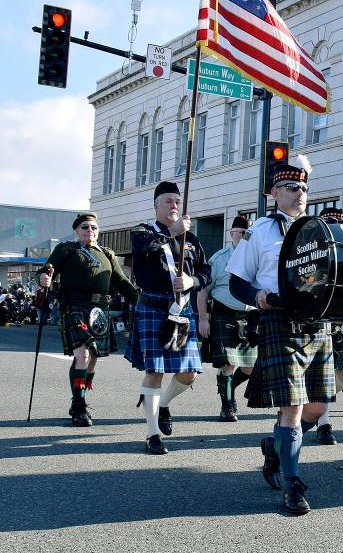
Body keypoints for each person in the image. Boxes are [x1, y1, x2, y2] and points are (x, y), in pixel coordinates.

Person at [227, 155, 335, 515]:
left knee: (317, 407)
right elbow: (237, 281)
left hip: (317, 322)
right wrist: (256, 296)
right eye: (291, 187)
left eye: (303, 187)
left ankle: (275, 448)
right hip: (278, 319)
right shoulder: (260, 230)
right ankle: (292, 485)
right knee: (292, 407)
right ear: (274, 192)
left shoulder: (319, 229)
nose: (299, 193)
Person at [126, 182, 211, 455]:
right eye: (167, 201)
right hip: (153, 307)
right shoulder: (143, 232)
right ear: (156, 205)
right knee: (155, 372)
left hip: (182, 310)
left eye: (177, 201)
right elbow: (144, 250)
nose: (174, 206)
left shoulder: (193, 240)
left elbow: (207, 274)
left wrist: (192, 280)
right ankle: (152, 433)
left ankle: (162, 404)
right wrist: (173, 233)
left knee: (188, 374)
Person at [38, 212, 138, 426]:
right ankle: (79, 405)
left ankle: (79, 400)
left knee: (93, 358)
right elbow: (47, 271)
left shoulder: (107, 254)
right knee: (82, 355)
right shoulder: (66, 249)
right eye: (85, 227)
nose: (90, 231)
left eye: (94, 227)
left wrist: (140, 301)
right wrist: (44, 277)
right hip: (74, 306)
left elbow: (121, 281)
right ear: (77, 230)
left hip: (100, 308)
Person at [196, 214, 257, 422]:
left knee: (250, 367)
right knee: (228, 365)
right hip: (224, 314)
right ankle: (227, 406)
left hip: (248, 317)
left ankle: (228, 388)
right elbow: (203, 292)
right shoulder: (219, 259)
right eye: (238, 232)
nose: (241, 236)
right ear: (231, 234)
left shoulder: (255, 259)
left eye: (245, 233)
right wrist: (203, 319)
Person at [316, 206, 343, 446]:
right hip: (317, 320)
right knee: (321, 377)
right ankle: (324, 424)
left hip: (342, 321)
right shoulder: (313, 250)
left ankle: (316, 403)